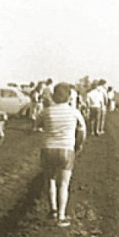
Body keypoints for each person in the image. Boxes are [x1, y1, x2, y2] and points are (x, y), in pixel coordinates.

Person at [37, 83, 86, 227]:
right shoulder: (74, 112)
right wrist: (78, 145)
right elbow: (83, 131)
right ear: (69, 97)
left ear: (53, 96)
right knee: (63, 184)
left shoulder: (46, 111)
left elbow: (37, 125)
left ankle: (52, 210)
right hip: (66, 149)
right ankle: (61, 216)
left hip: (48, 149)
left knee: (50, 180)